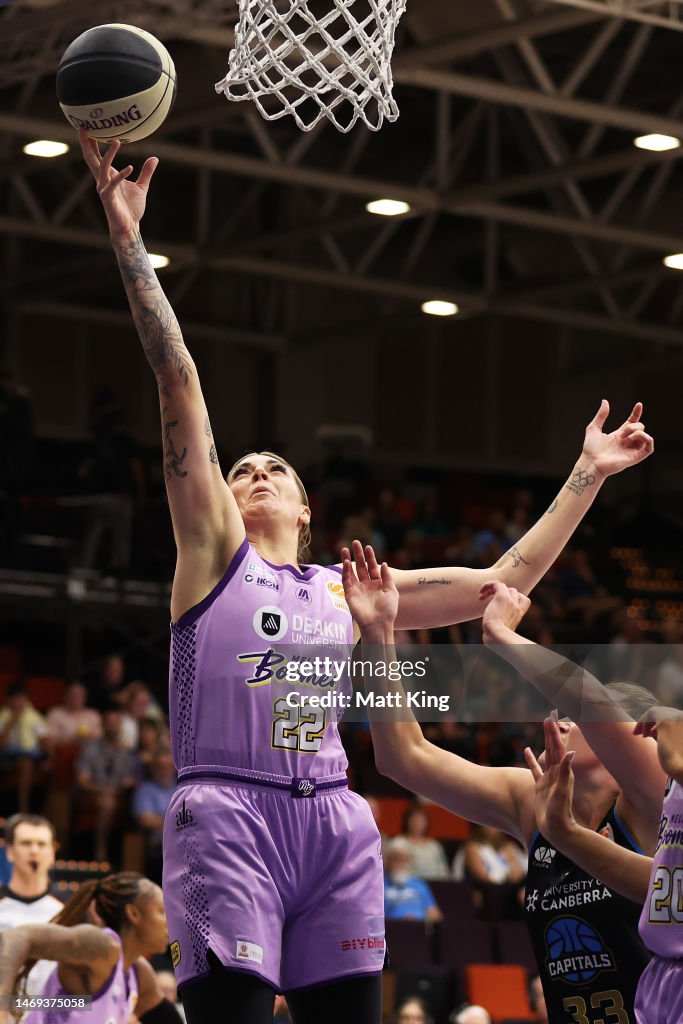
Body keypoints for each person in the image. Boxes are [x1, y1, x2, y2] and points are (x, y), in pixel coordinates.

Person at [78, 126, 653, 1024]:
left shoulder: (350, 592)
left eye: (277, 468)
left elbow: (506, 579)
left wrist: (587, 473)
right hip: (227, 810)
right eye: (242, 468)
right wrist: (126, 238)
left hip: (337, 822)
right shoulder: (209, 557)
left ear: (308, 510)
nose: (254, 471)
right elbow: (177, 380)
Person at [341, 545, 665, 1024]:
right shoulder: (530, 800)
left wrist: (502, 637)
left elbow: (590, 698)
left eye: (581, 716)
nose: (562, 715)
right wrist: (377, 633)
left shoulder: (653, 800)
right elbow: (404, 758)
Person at [528, 706, 683, 1024]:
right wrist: (566, 834)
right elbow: (656, 884)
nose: (563, 723)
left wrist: (515, 652)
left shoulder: (652, 792)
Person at [0, 872, 181, 1024]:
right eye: (162, 911)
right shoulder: (102, 946)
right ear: (133, 913)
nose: (170, 921)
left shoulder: (138, 973)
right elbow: (20, 936)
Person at [0, 816, 63, 997]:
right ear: (10, 852)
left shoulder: (71, 911)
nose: (34, 851)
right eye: (26, 843)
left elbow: (83, 1002)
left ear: (52, 853)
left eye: (41, 844)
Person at [75, 706, 140, 862]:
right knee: (106, 802)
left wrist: (124, 786)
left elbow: (133, 779)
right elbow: (82, 780)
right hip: (95, 793)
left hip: (121, 794)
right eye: (109, 722)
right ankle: (101, 851)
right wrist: (100, 790)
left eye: (115, 723)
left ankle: (129, 858)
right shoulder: (89, 749)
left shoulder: (128, 752)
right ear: (102, 725)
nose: (112, 726)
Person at [0, 682, 51, 813]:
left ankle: (26, 810)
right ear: (9, 700)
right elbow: (1, 744)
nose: (19, 702)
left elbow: (44, 740)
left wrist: (49, 758)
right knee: (25, 763)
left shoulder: (33, 716)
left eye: (22, 698)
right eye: (15, 698)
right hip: (7, 756)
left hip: (31, 756)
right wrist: (12, 721)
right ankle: (23, 809)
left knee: (27, 762)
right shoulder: (2, 717)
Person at [383, 839, 442, 922]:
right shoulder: (380, 886)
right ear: (388, 862)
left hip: (419, 929)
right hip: (392, 930)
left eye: (403, 860)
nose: (400, 864)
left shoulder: (419, 885)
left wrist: (418, 919)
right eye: (396, 860)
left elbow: (435, 915)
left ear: (409, 862)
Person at [399, 804, 449, 881]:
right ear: (407, 821)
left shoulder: (435, 845)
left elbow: (443, 871)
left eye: (421, 820)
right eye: (414, 819)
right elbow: (397, 870)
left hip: (436, 885)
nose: (418, 823)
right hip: (410, 884)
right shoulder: (399, 843)